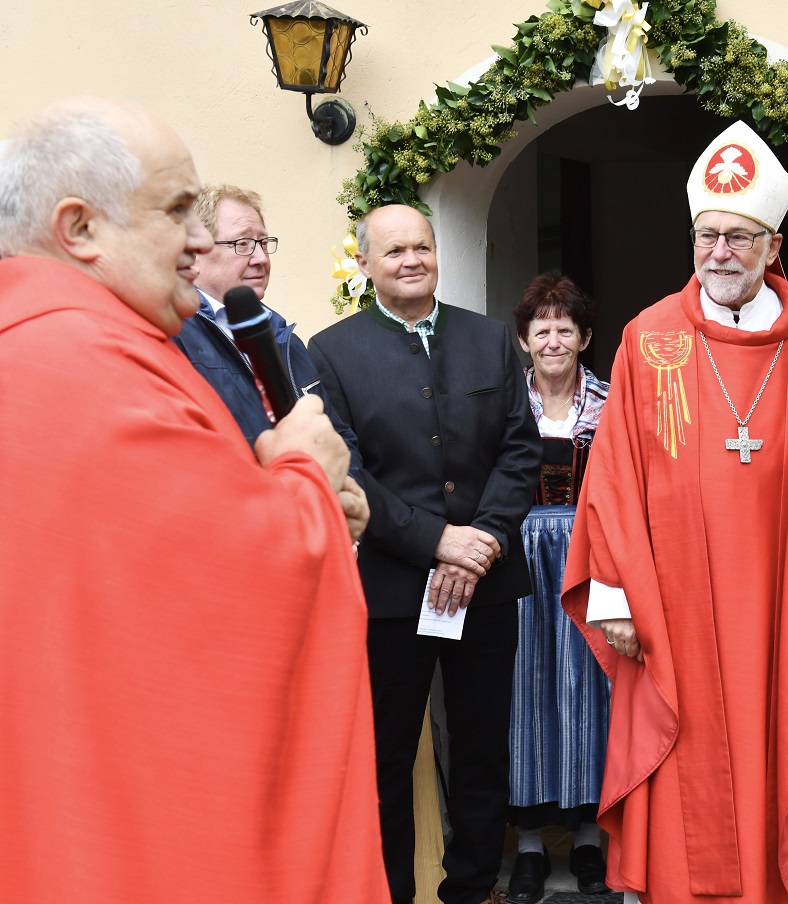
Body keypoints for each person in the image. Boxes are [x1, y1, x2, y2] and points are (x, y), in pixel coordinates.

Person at [0, 98, 385, 901]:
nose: (203, 240)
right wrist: (310, 479)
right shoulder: (82, 366)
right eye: (178, 211)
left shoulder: (77, 340)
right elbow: (236, 586)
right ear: (80, 229)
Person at [560, 120, 788, 904]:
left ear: (775, 247)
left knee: (783, 761)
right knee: (692, 778)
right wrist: (613, 598)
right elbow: (612, 477)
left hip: (785, 612)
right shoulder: (649, 341)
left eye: (739, 237)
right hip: (676, 608)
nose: (720, 252)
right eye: (706, 235)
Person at [309, 203, 543, 904]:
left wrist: (481, 543)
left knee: (481, 750)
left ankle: (472, 887)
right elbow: (347, 470)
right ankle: (391, 893)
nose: (411, 261)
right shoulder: (332, 352)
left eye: (422, 247)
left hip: (489, 584)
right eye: (394, 252)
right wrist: (434, 540)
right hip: (389, 591)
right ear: (365, 265)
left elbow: (519, 449)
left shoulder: (491, 338)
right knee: (386, 759)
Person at [505, 273, 612, 904]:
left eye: (564, 328)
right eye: (541, 328)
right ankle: (527, 848)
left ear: (584, 337)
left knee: (592, 689)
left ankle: (592, 841)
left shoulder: (609, 401)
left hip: (590, 557)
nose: (552, 339)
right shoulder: (503, 405)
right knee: (524, 693)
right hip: (517, 561)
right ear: (524, 340)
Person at [173, 183, 361, 475]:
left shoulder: (285, 338)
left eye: (263, 243)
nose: (261, 258)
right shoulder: (175, 334)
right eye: (243, 244)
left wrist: (346, 499)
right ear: (195, 252)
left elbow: (340, 438)